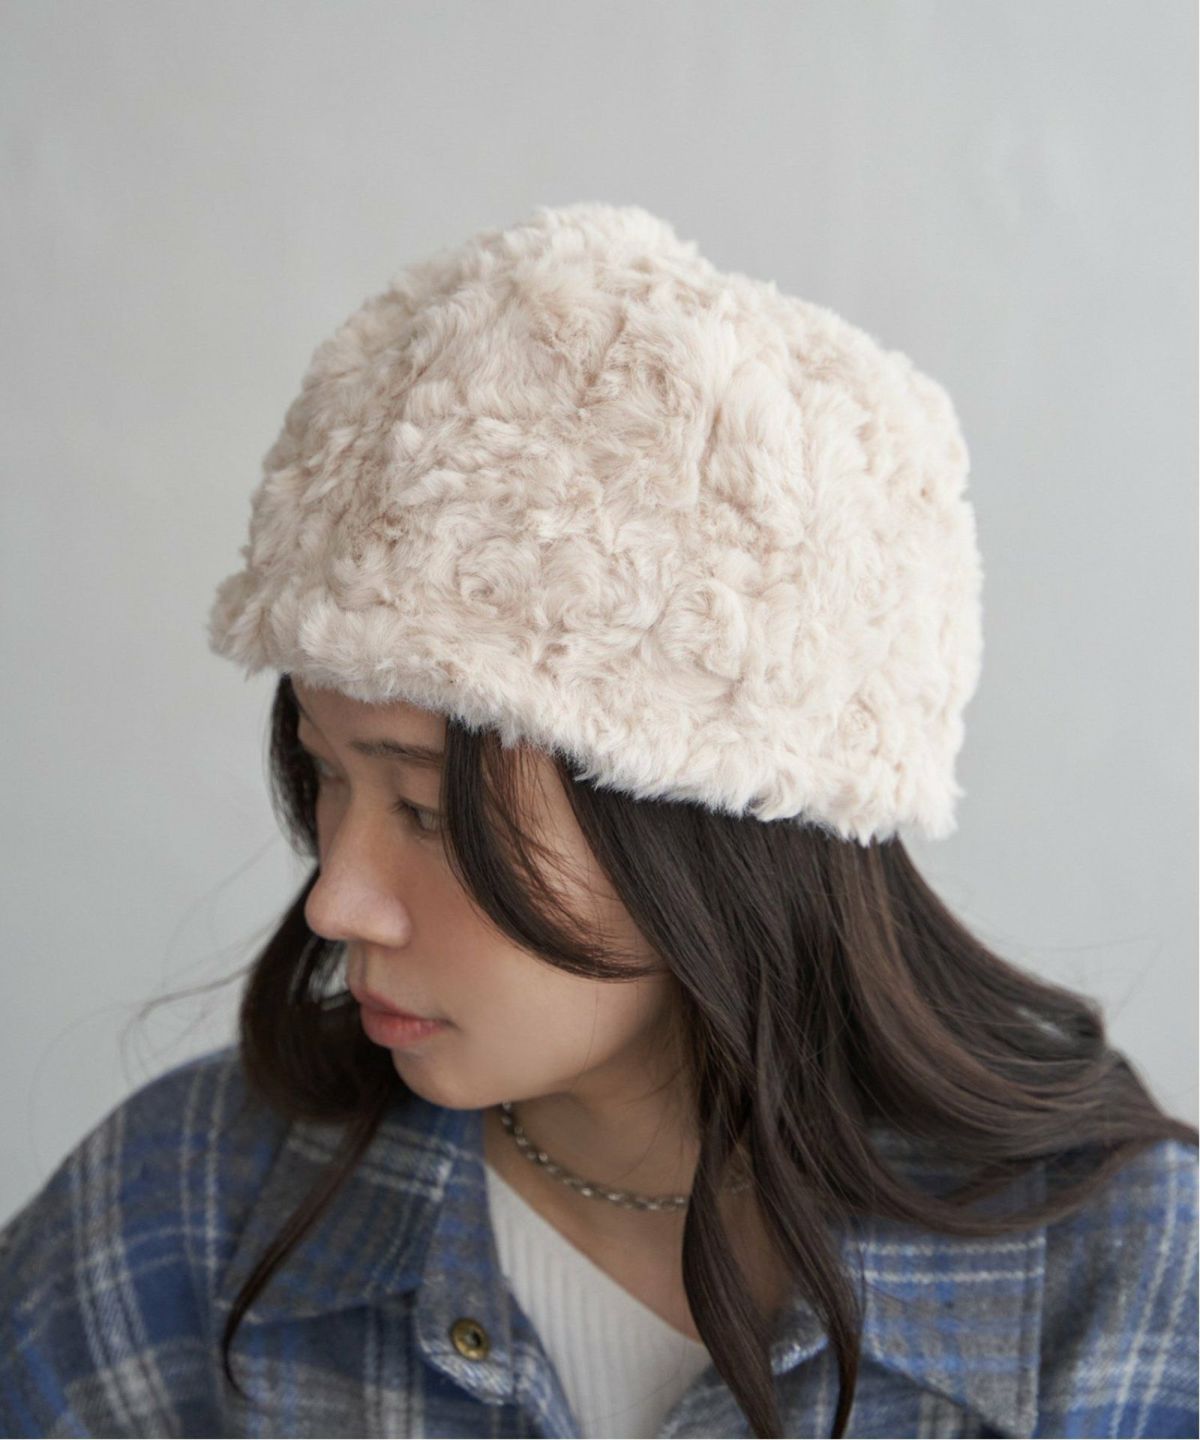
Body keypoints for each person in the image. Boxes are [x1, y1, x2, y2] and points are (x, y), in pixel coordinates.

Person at [1, 202, 1195, 1440]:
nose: (337, 898)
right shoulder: (183, 1217)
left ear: (709, 826)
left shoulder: (1120, 1283)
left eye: (427, 810)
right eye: (327, 777)